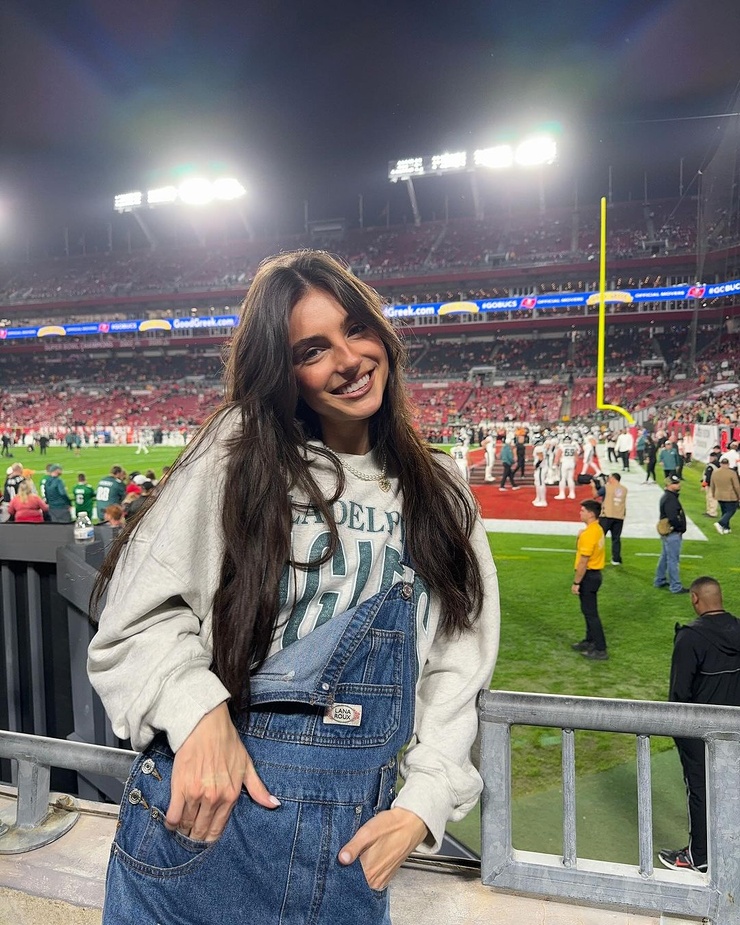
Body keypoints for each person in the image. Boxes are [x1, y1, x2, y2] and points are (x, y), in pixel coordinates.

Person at [87, 250, 500, 925]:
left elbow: (460, 663)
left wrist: (424, 801)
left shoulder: (442, 490)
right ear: (284, 374)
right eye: (313, 349)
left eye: (356, 329)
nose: (349, 359)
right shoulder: (238, 450)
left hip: (347, 851)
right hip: (200, 831)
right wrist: (198, 711)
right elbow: (134, 620)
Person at [658, 577, 740, 874]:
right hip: (736, 725)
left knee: (701, 789)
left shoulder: (690, 637)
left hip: (699, 731)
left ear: (694, 598)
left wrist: (679, 733)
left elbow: (679, 693)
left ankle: (700, 856)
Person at [570, 499, 607, 661]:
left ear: (591, 514)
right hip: (595, 575)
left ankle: (600, 648)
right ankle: (589, 640)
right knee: (588, 611)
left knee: (591, 614)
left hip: (588, 576)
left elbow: (583, 562)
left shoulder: (589, 534)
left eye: (583, 510)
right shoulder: (597, 529)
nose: (580, 513)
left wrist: (576, 583)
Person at [654, 475, 689, 594]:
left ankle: (659, 580)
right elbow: (673, 517)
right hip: (672, 533)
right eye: (675, 483)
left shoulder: (669, 497)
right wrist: (679, 528)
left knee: (665, 557)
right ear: (668, 485)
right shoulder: (670, 499)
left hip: (668, 533)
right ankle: (675, 587)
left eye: (678, 482)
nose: (678, 485)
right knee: (673, 560)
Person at [592, 472, 627, 565]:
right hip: (619, 516)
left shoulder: (607, 488)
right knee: (616, 539)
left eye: (609, 478)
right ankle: (616, 559)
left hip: (606, 516)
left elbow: (595, 495)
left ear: (613, 478)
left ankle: (596, 556)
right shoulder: (624, 489)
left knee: (600, 537)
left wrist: (593, 486)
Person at [710, 454, 740, 535]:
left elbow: (712, 484)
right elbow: (736, 486)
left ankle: (726, 528)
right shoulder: (732, 473)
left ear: (720, 464)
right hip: (730, 496)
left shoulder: (715, 472)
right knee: (731, 511)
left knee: (724, 511)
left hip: (719, 495)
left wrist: (713, 493)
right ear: (728, 464)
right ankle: (720, 523)